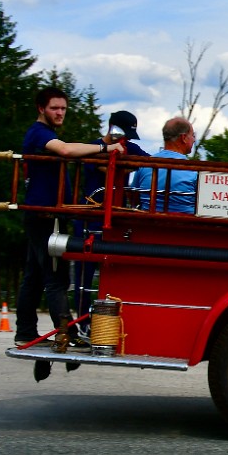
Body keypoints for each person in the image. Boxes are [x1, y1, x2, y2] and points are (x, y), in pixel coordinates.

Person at [16, 87, 126, 349]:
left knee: (34, 275)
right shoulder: (39, 133)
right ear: (41, 108)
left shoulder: (46, 134)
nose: (60, 112)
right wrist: (104, 146)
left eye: (63, 108)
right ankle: (68, 332)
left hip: (45, 213)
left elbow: (67, 148)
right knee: (57, 276)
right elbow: (65, 150)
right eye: (54, 108)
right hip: (43, 215)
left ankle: (25, 331)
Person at [73, 111, 150, 335]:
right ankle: (81, 321)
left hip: (114, 220)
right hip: (89, 217)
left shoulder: (128, 147)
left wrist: (125, 162)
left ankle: (107, 322)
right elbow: (102, 167)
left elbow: (147, 161)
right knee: (83, 274)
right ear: (112, 129)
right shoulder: (93, 147)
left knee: (113, 273)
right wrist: (118, 160)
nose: (124, 139)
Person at [132, 117, 197, 214]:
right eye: (193, 135)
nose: (194, 140)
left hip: (147, 223)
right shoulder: (194, 171)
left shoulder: (144, 165)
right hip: (184, 225)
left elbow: (134, 197)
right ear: (183, 138)